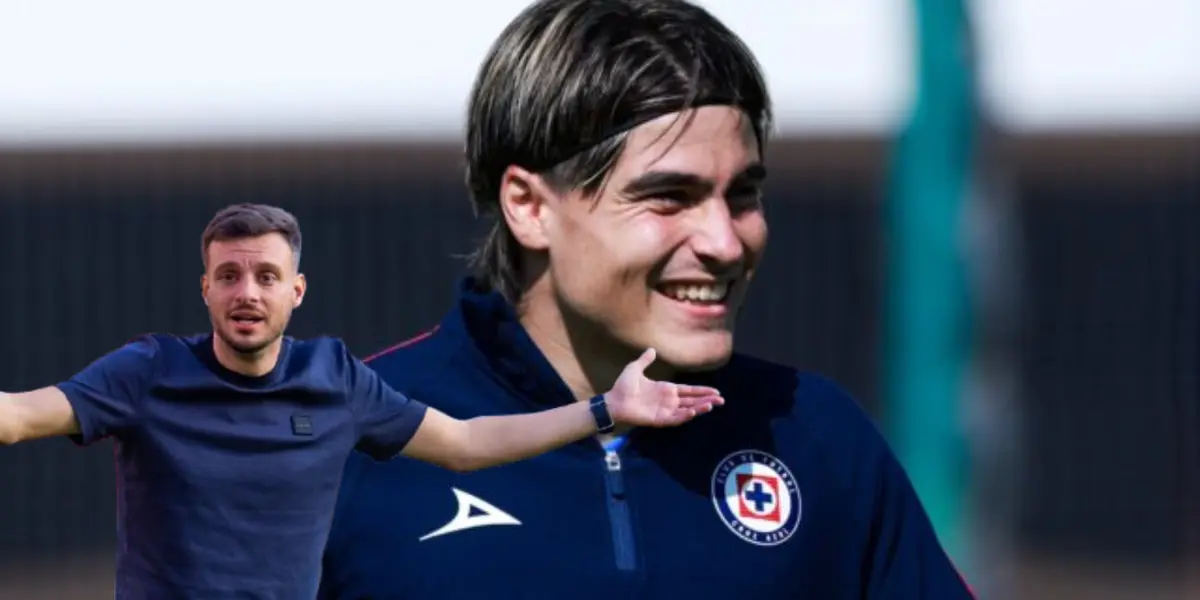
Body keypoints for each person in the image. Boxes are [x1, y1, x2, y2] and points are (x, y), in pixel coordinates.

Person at [317, 0, 975, 598]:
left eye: (742, 194)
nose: (723, 241)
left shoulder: (817, 438)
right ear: (528, 207)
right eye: (669, 196)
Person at [0, 203, 723, 599]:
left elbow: (467, 445)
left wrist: (605, 408)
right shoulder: (148, 372)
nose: (246, 292)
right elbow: (18, 417)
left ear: (296, 291)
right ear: (206, 290)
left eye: (264, 275)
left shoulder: (335, 378)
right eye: (228, 276)